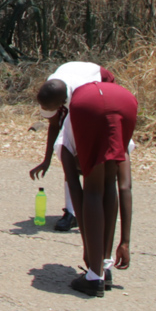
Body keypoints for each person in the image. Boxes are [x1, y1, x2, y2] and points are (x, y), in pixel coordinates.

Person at [62, 74, 138, 297]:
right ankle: (105, 266)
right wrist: (125, 243)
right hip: (126, 102)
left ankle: (94, 276)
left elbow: (76, 189)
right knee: (108, 183)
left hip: (88, 106)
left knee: (93, 189)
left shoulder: (67, 131)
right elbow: (125, 187)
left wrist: (88, 250)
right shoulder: (120, 131)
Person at [31, 60, 108, 239]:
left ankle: (96, 207)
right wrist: (47, 160)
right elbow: (54, 127)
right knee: (70, 157)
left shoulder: (81, 96)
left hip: (98, 84)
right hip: (72, 80)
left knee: (88, 157)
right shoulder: (50, 93)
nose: (46, 111)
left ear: (62, 103)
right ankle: (71, 213)